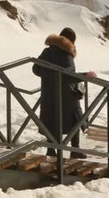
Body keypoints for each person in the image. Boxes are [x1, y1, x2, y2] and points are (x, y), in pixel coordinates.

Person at [32, 27, 94, 159]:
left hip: (48, 93)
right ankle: (74, 150)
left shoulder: (47, 52)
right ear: (71, 41)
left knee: (52, 120)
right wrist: (85, 75)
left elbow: (36, 69)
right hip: (66, 95)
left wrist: (49, 77)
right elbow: (68, 76)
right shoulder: (67, 55)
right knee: (74, 120)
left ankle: (51, 150)